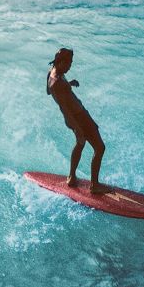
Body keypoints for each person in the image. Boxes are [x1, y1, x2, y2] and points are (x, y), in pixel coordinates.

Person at [46, 48, 109, 194]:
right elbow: (64, 107)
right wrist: (77, 127)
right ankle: (94, 185)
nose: (70, 67)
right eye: (68, 64)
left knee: (80, 143)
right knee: (100, 148)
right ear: (60, 62)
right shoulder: (56, 83)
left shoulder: (53, 73)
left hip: (75, 116)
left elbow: (50, 92)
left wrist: (68, 85)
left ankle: (71, 177)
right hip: (78, 117)